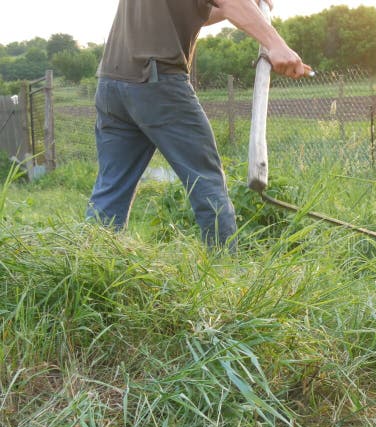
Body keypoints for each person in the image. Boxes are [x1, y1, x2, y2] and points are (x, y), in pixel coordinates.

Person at [86, 0, 310, 251]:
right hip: (157, 81)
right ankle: (224, 273)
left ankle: (91, 270)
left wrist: (249, 10)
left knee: (111, 188)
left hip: (111, 83)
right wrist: (277, 44)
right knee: (206, 180)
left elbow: (205, 10)